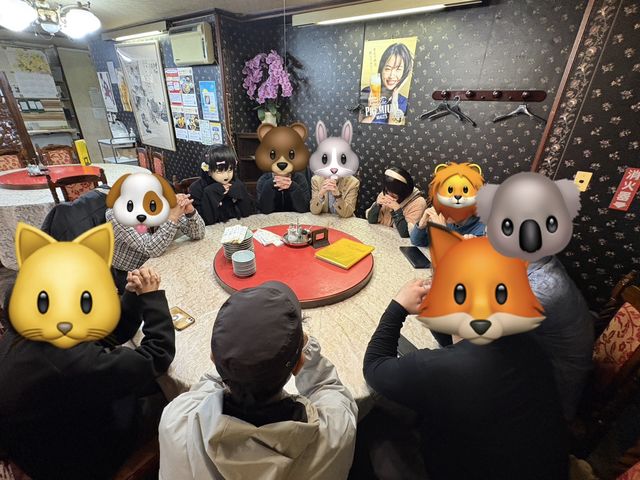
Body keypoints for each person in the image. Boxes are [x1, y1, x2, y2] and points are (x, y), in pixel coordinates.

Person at [363, 279, 568, 479]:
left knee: (374, 426)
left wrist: (398, 307)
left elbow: (374, 366)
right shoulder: (524, 338)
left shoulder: (446, 368)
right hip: (545, 467)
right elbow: (456, 342)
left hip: (464, 467)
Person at [159, 281, 358, 480]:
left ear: (212, 357)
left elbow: (205, 388)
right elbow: (327, 387)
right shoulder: (335, 433)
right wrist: (306, 349)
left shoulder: (176, 420)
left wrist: (235, 355)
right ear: (298, 365)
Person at [0, 267, 175, 479]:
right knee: (168, 398)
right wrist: (153, 298)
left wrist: (133, 296)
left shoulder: (28, 330)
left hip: (45, 438)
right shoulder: (69, 361)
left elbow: (105, 334)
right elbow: (157, 355)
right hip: (75, 460)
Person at [107, 192, 205, 293]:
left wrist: (190, 212)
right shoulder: (118, 213)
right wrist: (172, 217)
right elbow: (151, 249)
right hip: (131, 273)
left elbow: (198, 234)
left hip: (163, 262)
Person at [410, 162, 486, 246]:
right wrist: (421, 225)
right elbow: (417, 242)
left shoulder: (484, 228)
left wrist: (443, 230)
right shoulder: (446, 219)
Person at [189, 145, 254, 225]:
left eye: (230, 169)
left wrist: (239, 191)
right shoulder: (196, 188)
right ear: (209, 171)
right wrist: (210, 193)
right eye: (220, 171)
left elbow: (248, 213)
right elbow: (201, 223)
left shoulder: (235, 183)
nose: (226, 176)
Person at [360, 43, 413, 125]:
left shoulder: (403, 102)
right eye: (388, 69)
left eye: (398, 69)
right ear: (381, 70)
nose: (391, 75)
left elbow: (393, 127)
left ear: (404, 73)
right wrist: (371, 115)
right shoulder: (366, 92)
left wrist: (395, 97)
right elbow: (358, 126)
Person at [366, 166, 426, 238]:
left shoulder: (418, 203)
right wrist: (377, 205)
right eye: (387, 192)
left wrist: (397, 210)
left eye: (394, 196)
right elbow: (371, 220)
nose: (389, 197)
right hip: (380, 237)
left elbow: (406, 233)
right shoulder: (385, 193)